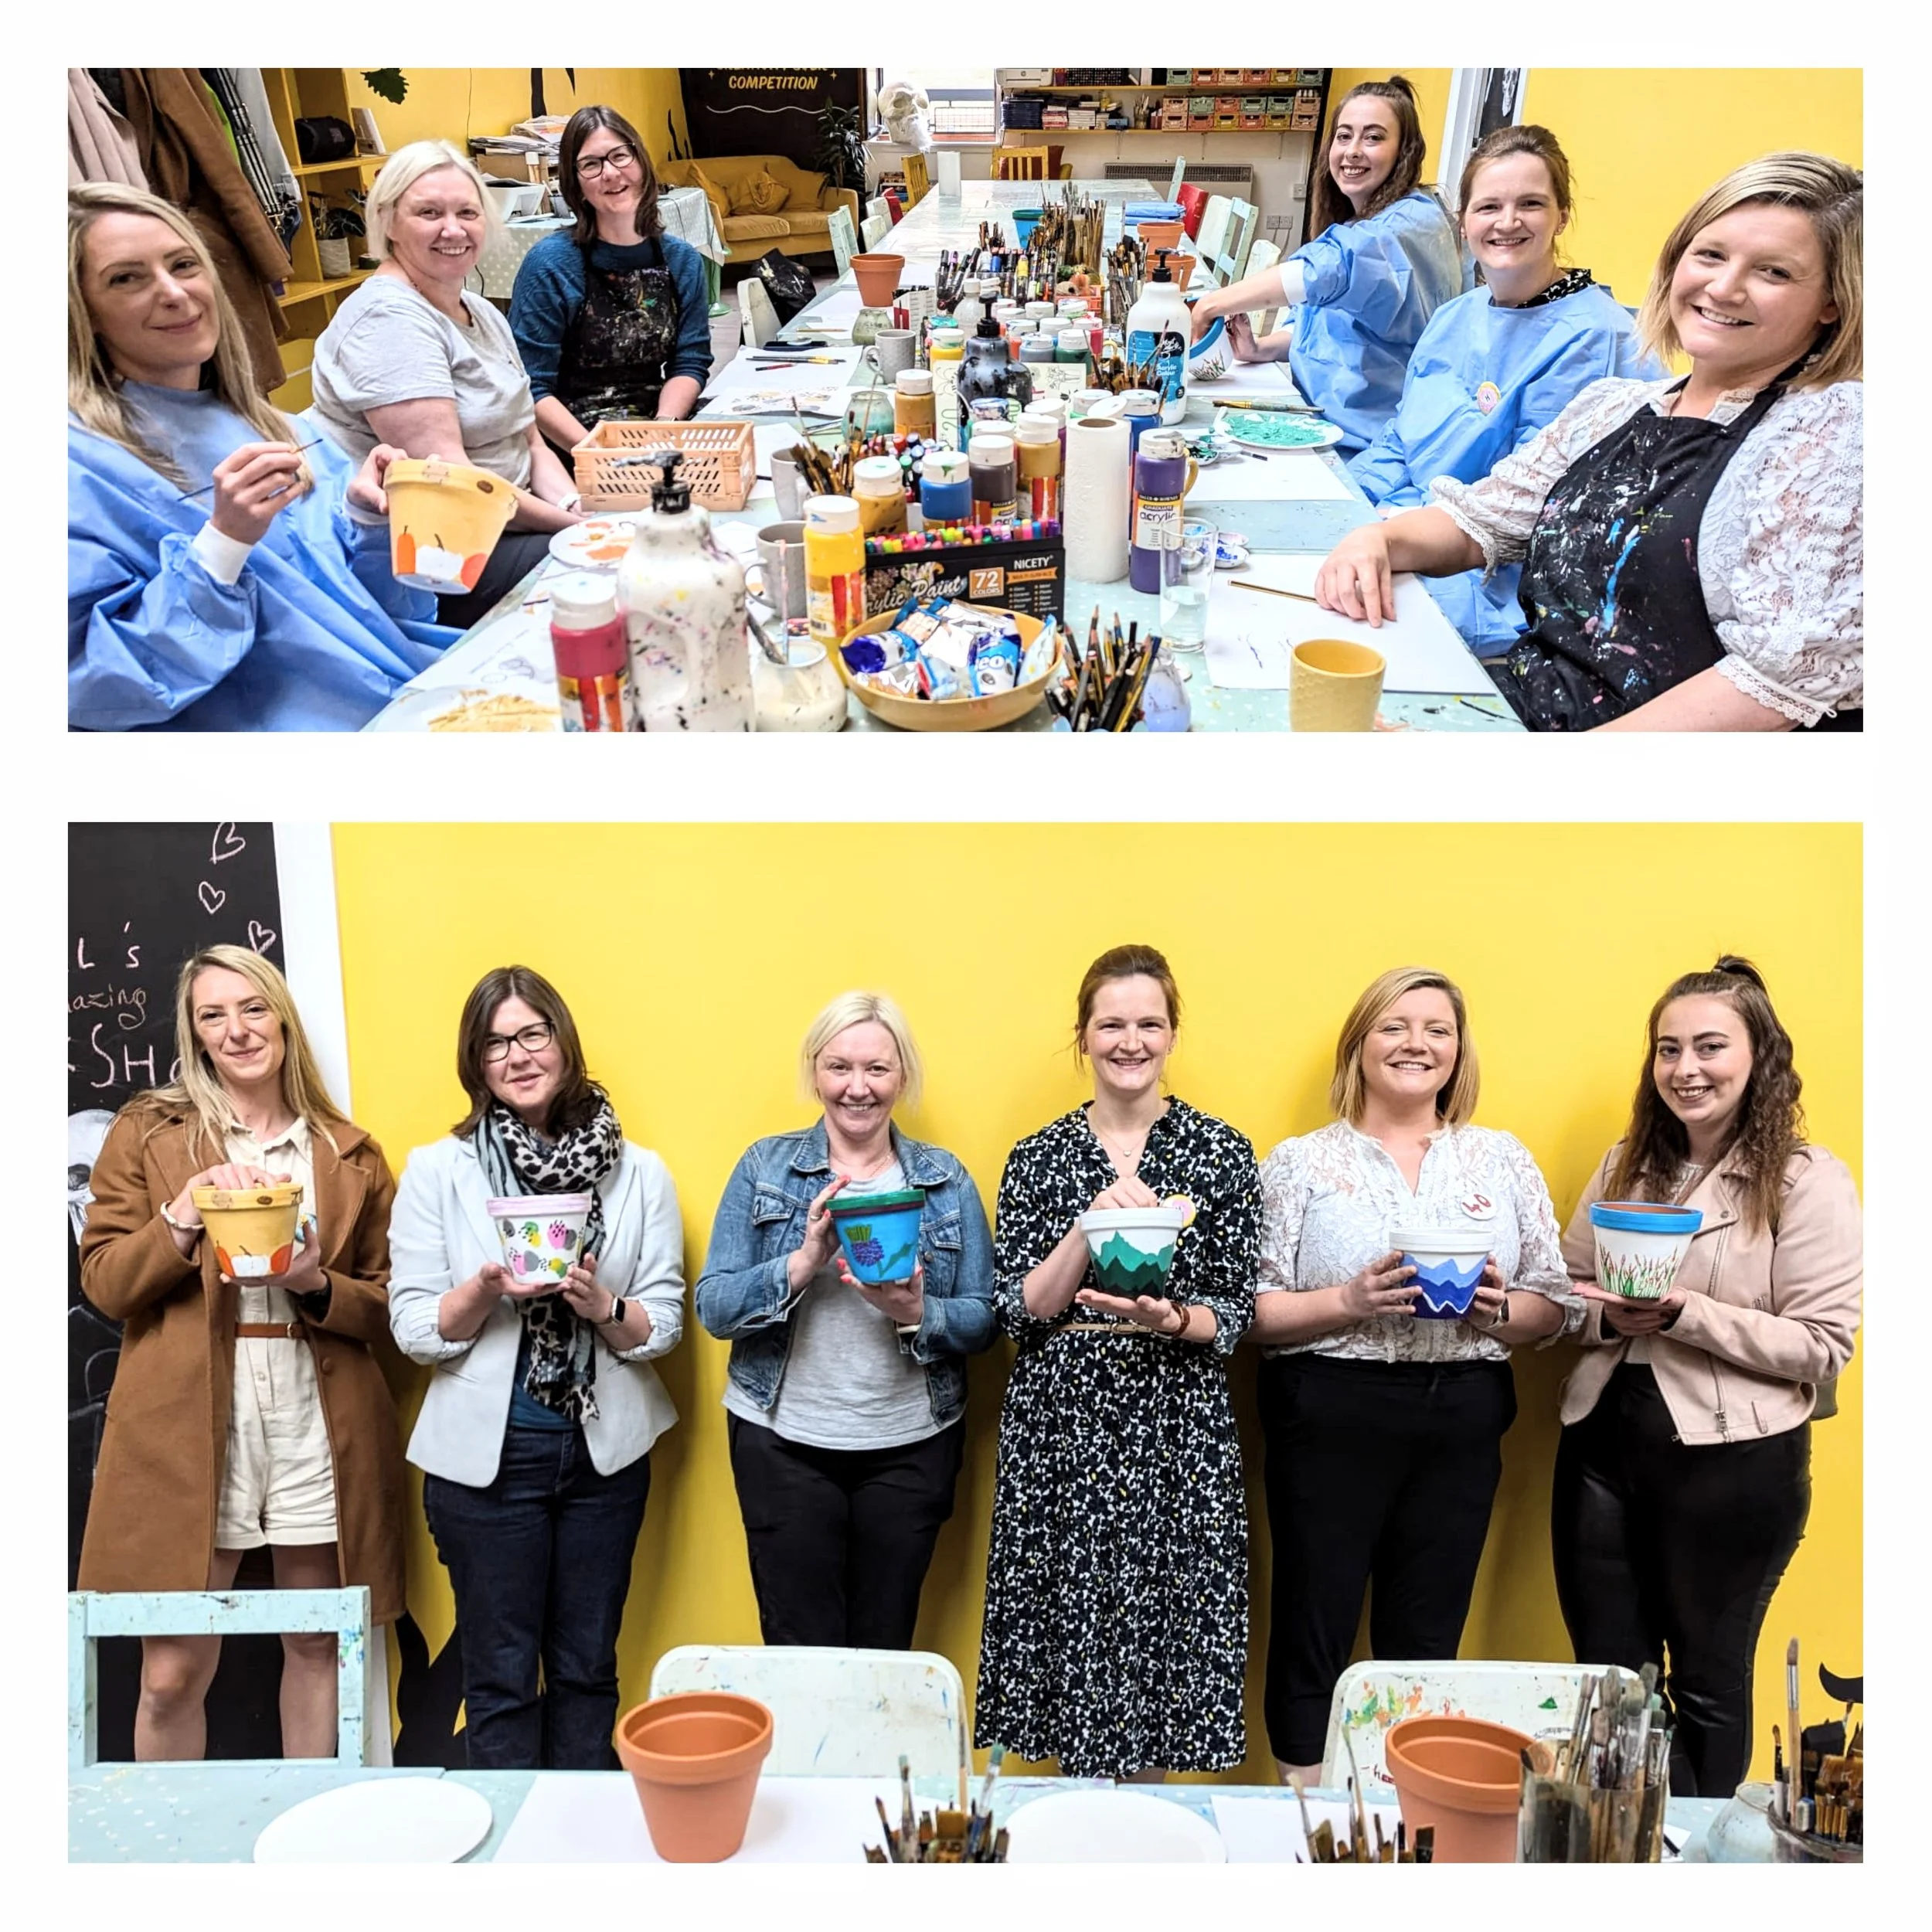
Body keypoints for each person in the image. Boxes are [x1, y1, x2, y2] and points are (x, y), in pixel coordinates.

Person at [1315, 152, 1862, 730]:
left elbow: (1770, 686)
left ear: (1833, 301)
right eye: (1710, 255)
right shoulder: (1612, 408)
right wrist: (1376, 540)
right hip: (1523, 708)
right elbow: (1482, 519)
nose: (1724, 288)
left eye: (1773, 272)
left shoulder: (1833, 434)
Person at [77, 946, 406, 1760]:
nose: (237, 1030)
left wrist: (313, 1282)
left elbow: (391, 1306)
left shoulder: (350, 1153)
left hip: (314, 1415)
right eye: (213, 1015)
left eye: (253, 1008)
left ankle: (307, 1823)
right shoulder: (149, 1133)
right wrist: (181, 1216)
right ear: (194, 1033)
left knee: (316, 1640)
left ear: (283, 1020)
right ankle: (170, 1832)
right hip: (189, 1420)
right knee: (170, 1672)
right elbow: (106, 1283)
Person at [1253, 967, 1573, 1784]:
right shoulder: (1301, 1163)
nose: (1415, 1044)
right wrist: (1349, 1299)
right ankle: (1307, 1813)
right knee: (1313, 1620)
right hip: (1329, 1408)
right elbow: (1252, 1311)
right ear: (1359, 1044)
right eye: (1394, 1026)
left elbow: (1555, 1304)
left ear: (1459, 1050)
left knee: (1427, 1634)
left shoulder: (1499, 1159)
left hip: (1462, 1411)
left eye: (1437, 1029)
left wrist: (1494, 1311)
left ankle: (1409, 1815)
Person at [1553, 957, 1860, 1797]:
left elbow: (1822, 1344)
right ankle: (1623, 1853)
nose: (1685, 1068)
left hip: (1735, 1467)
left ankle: (1694, 1857)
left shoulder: (1806, 1179)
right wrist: (1605, 1317)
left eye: (1710, 1046)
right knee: (1610, 1687)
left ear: (1760, 1056)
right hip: (1600, 1455)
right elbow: (1566, 1290)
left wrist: (1685, 1313)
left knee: (1707, 1687)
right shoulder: (1626, 1165)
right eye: (1668, 1048)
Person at [387, 967, 684, 1769]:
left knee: (588, 1671)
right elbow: (414, 1327)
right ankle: (513, 1841)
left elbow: (663, 1321)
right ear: (475, 1062)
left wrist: (603, 1306)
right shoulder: (438, 1170)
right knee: (500, 1679)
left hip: (602, 1455)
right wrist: (486, 1290)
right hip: (487, 1463)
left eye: (532, 1034)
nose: (516, 1056)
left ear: (562, 1041)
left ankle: (580, 1835)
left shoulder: (638, 1172)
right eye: (495, 1044)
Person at [975, 945, 1258, 1781]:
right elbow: (1019, 1309)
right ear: (1083, 1036)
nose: (1130, 1041)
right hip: (1062, 1423)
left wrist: (1174, 1318)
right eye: (1111, 1024)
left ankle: (1149, 1826)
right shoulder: (1038, 1156)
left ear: (1172, 1034)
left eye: (1148, 1023)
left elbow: (1236, 1307)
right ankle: (1085, 1826)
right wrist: (1087, 1224)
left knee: (1164, 1630)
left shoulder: (1221, 1151)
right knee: (1069, 1627)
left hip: (1177, 1418)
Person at [67, 183, 454, 730]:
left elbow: (385, 610)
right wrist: (222, 546)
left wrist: (373, 521)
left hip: (392, 686)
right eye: (126, 278)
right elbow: (95, 687)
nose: (174, 293)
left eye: (183, 265)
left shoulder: (279, 428)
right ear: (83, 312)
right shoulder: (79, 470)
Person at [695, 993, 995, 1648]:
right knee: (800, 1656)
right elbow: (714, 1307)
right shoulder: (765, 1169)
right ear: (815, 1072)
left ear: (902, 1076)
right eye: (839, 1067)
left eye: (877, 1069)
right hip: (782, 1442)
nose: (858, 1088)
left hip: (911, 1446)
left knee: (885, 1651)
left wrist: (917, 1313)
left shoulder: (945, 1180)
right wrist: (802, 1264)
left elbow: (982, 1319)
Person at [1348, 126, 1662, 653]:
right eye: (1489, 206)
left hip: (1488, 578)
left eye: (1530, 204)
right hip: (1401, 528)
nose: (1507, 222)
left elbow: (1532, 512)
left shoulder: (1596, 341)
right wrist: (1347, 502)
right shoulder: (1457, 316)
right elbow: (1401, 437)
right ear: (1464, 220)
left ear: (1562, 215)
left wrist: (1397, 532)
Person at [311, 141, 585, 631]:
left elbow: (528, 440)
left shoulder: (476, 309)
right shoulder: (388, 319)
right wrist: (578, 529)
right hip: (444, 556)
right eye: (429, 213)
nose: (453, 230)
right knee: (614, 572)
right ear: (388, 221)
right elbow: (456, 482)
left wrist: (574, 506)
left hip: (510, 522)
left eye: (467, 213)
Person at [1188, 78, 1467, 453]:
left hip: (1370, 443)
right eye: (1344, 136)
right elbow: (1326, 330)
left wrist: (1211, 304)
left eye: (1373, 138)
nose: (1353, 151)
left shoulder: (1410, 223)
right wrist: (1261, 349)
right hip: (1318, 419)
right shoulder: (1360, 219)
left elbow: (1327, 271)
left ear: (1405, 151)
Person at [511, 106, 713, 459]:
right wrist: (600, 456)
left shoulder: (682, 261)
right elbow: (531, 386)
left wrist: (662, 431)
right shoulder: (551, 265)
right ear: (575, 183)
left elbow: (689, 361)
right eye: (591, 164)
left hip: (655, 431)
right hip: (571, 444)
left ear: (641, 161)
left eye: (620, 156)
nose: (610, 173)